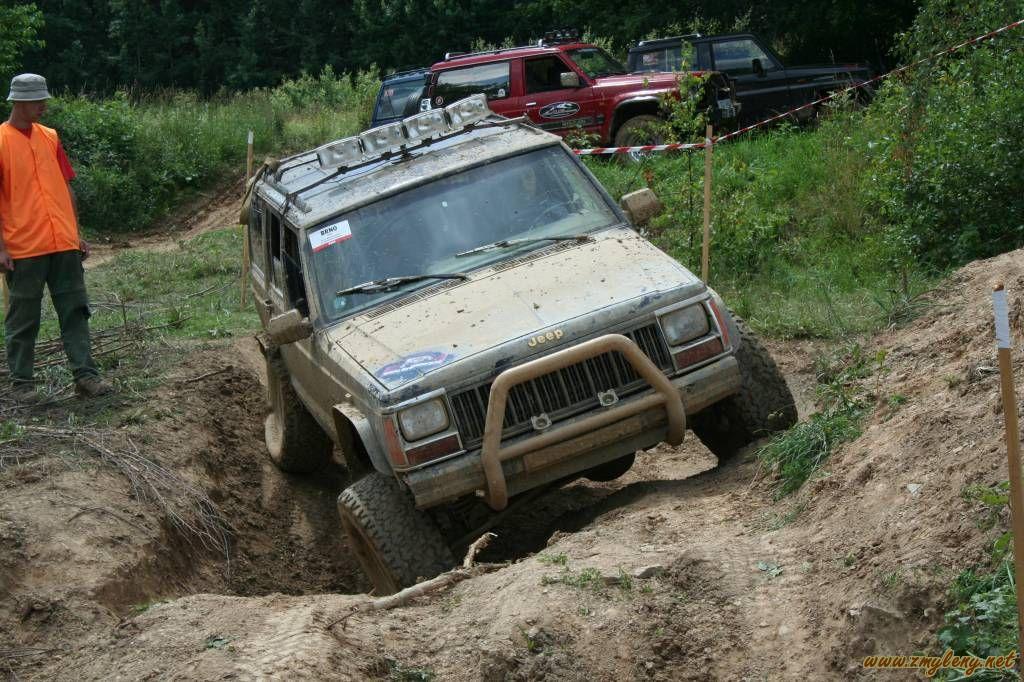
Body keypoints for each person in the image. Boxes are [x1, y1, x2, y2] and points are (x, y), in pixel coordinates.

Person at [0, 73, 112, 402]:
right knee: (24, 318)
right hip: (24, 247)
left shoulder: (50, 136)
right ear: (19, 102)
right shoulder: (1, 141)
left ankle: (86, 378)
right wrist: (1, 248)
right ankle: (22, 384)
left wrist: (75, 233)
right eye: (38, 101)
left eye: (43, 99)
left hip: (63, 243)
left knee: (76, 310)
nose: (43, 106)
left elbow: (65, 186)